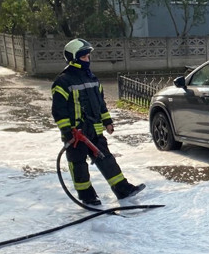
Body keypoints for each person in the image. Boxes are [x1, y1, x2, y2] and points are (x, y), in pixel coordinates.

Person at [52, 38, 145, 206]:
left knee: (106, 159)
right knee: (78, 164)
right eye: (85, 57)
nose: (88, 60)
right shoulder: (63, 82)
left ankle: (122, 189)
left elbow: (100, 103)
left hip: (94, 130)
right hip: (76, 134)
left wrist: (107, 121)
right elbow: (59, 111)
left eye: (88, 56)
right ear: (74, 58)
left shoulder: (92, 78)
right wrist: (67, 132)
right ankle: (87, 197)